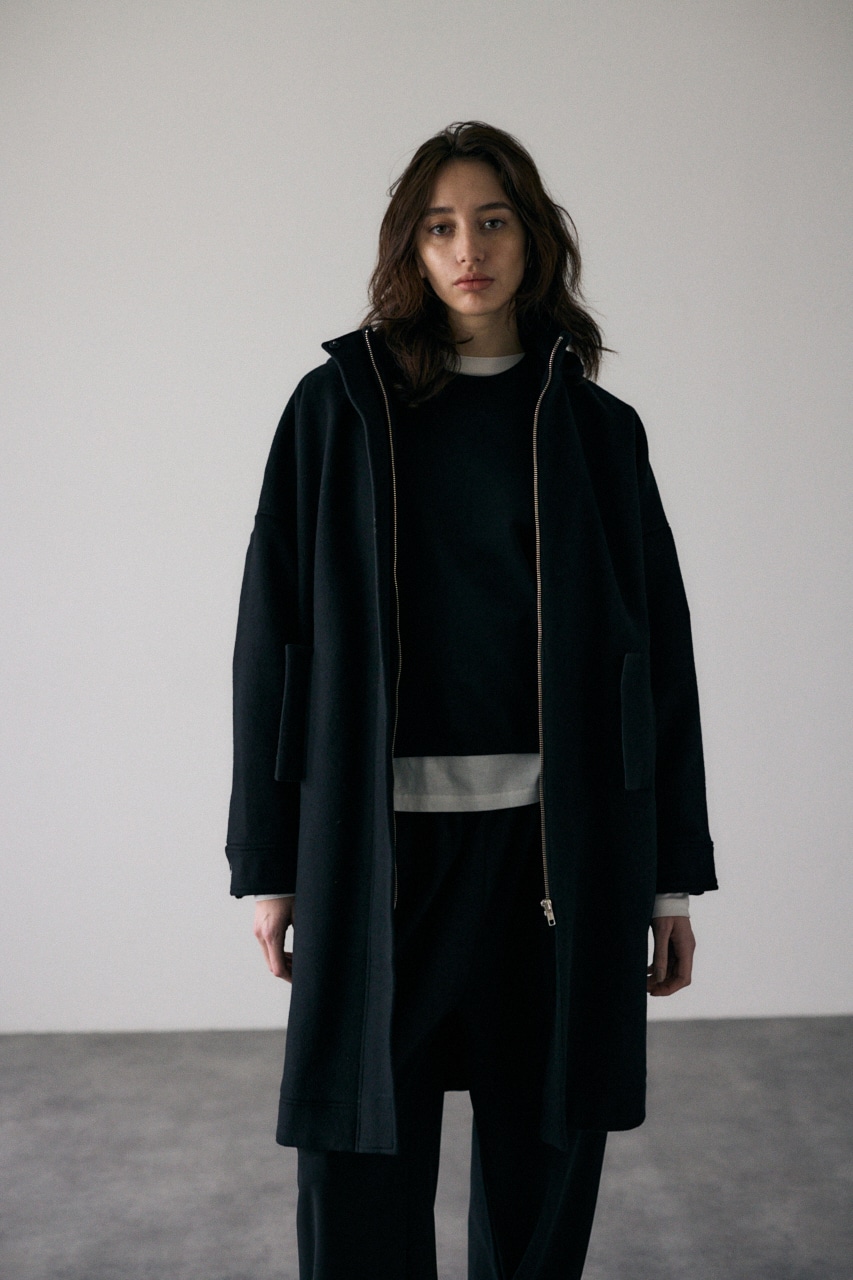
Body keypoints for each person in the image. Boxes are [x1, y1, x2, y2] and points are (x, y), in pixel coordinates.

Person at [225, 120, 717, 1279]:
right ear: (410, 246)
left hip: (552, 857)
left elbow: (659, 662)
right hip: (377, 856)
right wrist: (270, 861)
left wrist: (668, 875)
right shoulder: (335, 413)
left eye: (492, 221)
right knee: (355, 1167)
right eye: (440, 226)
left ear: (533, 238)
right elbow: (270, 646)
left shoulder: (596, 431)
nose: (468, 248)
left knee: (541, 1166)